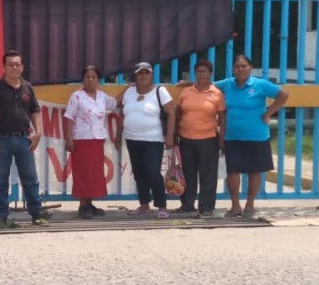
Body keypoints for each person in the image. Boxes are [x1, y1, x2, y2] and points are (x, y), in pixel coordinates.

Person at [0, 50, 50, 228]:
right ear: (3, 67)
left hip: (24, 139)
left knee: (30, 178)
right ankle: (0, 217)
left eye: (17, 64)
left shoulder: (27, 87)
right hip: (1, 139)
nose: (14, 67)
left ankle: (36, 214)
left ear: (22, 67)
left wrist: (38, 131)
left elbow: (35, 110)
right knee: (0, 179)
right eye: (10, 64)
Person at [215, 55, 289, 218]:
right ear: (233, 69)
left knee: (254, 171)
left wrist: (269, 112)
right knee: (232, 171)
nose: (240, 69)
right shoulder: (227, 84)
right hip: (232, 136)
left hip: (256, 135)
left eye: (244, 66)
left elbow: (283, 94)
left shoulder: (260, 84)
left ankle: (250, 205)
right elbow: (206, 86)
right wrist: (187, 83)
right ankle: (235, 206)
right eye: (237, 66)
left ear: (250, 67)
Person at [115, 62, 176, 218]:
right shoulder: (129, 92)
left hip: (153, 139)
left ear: (151, 75)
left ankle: (161, 205)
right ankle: (144, 204)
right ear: (135, 75)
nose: (143, 76)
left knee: (152, 172)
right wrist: (118, 134)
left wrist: (169, 136)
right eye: (140, 73)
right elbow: (120, 111)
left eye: (146, 73)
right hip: (132, 138)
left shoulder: (160, 91)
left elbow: (171, 113)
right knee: (139, 173)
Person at [63, 65, 118, 219]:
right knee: (82, 172)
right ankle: (82, 205)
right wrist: (68, 139)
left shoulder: (102, 96)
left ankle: (89, 203)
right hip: (81, 139)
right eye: (87, 77)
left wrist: (130, 89)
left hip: (97, 140)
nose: (90, 80)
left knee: (93, 173)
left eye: (93, 77)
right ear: (83, 79)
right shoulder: (76, 96)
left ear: (98, 80)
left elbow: (115, 103)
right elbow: (68, 117)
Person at [175, 59, 225, 218]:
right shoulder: (186, 92)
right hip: (186, 138)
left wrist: (222, 138)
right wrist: (175, 133)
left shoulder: (216, 93)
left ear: (210, 74)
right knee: (188, 173)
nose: (201, 74)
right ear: (194, 74)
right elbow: (178, 113)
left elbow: (222, 117)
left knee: (208, 174)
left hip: (208, 139)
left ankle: (206, 206)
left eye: (205, 71)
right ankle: (187, 205)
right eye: (198, 71)